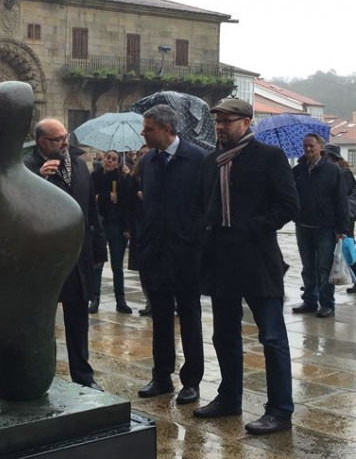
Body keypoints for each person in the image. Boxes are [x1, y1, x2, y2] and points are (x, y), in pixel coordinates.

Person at [194, 98, 298, 436]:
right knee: (224, 334)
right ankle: (229, 398)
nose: (221, 126)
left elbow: (288, 205)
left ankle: (279, 410)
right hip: (221, 261)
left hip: (257, 259)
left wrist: (251, 227)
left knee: (271, 336)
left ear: (246, 122)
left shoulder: (268, 157)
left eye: (228, 120)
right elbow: (204, 206)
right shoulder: (211, 162)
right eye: (218, 121)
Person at [24, 118, 105, 390]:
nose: (64, 143)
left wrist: (98, 248)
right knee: (41, 320)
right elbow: (18, 207)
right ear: (42, 142)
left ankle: (83, 376)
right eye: (58, 139)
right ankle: (38, 373)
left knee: (78, 318)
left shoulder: (80, 166)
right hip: (45, 258)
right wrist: (38, 179)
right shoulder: (27, 169)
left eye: (65, 137)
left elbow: (92, 212)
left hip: (78, 255)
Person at [135, 105, 205, 406]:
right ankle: (161, 376)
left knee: (189, 317)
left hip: (186, 253)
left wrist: (192, 239)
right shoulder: (148, 161)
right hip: (156, 252)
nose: (143, 133)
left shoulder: (198, 159)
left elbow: (205, 206)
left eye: (148, 128)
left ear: (167, 129)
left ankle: (191, 381)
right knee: (160, 318)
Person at [291, 134, 348, 318]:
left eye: (312, 146)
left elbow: (341, 201)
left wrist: (342, 229)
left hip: (326, 226)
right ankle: (310, 300)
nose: (308, 149)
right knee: (308, 267)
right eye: (305, 146)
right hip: (303, 225)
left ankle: (327, 304)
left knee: (324, 267)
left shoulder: (333, 171)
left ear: (320, 147)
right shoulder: (298, 171)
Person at [90, 150, 131, 314]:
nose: (110, 161)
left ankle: (120, 299)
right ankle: (94, 298)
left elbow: (126, 203)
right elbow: (92, 197)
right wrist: (107, 197)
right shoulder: (95, 176)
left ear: (117, 163)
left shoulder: (121, 179)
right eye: (108, 158)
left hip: (116, 224)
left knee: (117, 264)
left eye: (114, 159)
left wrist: (127, 227)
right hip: (99, 224)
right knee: (98, 263)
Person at [324, 144, 356, 294]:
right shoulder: (337, 172)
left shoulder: (343, 174)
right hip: (341, 217)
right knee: (345, 249)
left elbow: (343, 198)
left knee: (347, 250)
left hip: (345, 218)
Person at [124, 144, 152, 316]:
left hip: (155, 227)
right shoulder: (134, 177)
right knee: (143, 267)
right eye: (141, 154)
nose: (143, 156)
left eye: (147, 153)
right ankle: (149, 300)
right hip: (138, 226)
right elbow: (127, 204)